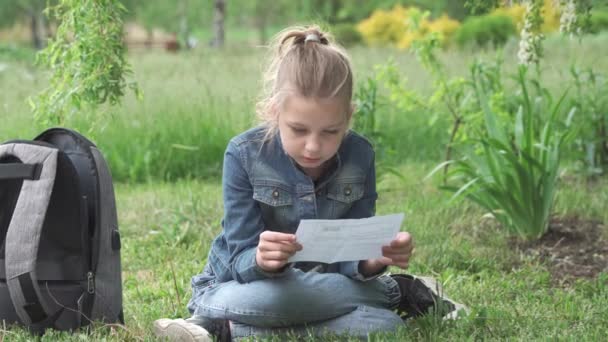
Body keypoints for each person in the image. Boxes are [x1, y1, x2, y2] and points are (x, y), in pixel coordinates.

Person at [153, 25, 466, 342]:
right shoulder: (243, 154)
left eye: (330, 131)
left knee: (388, 328)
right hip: (241, 287)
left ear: (349, 116)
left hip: (319, 286)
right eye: (299, 130)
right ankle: (395, 292)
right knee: (274, 300)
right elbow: (238, 261)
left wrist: (375, 258)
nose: (313, 146)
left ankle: (224, 330)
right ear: (275, 111)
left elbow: (350, 255)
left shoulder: (360, 155)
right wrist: (261, 259)